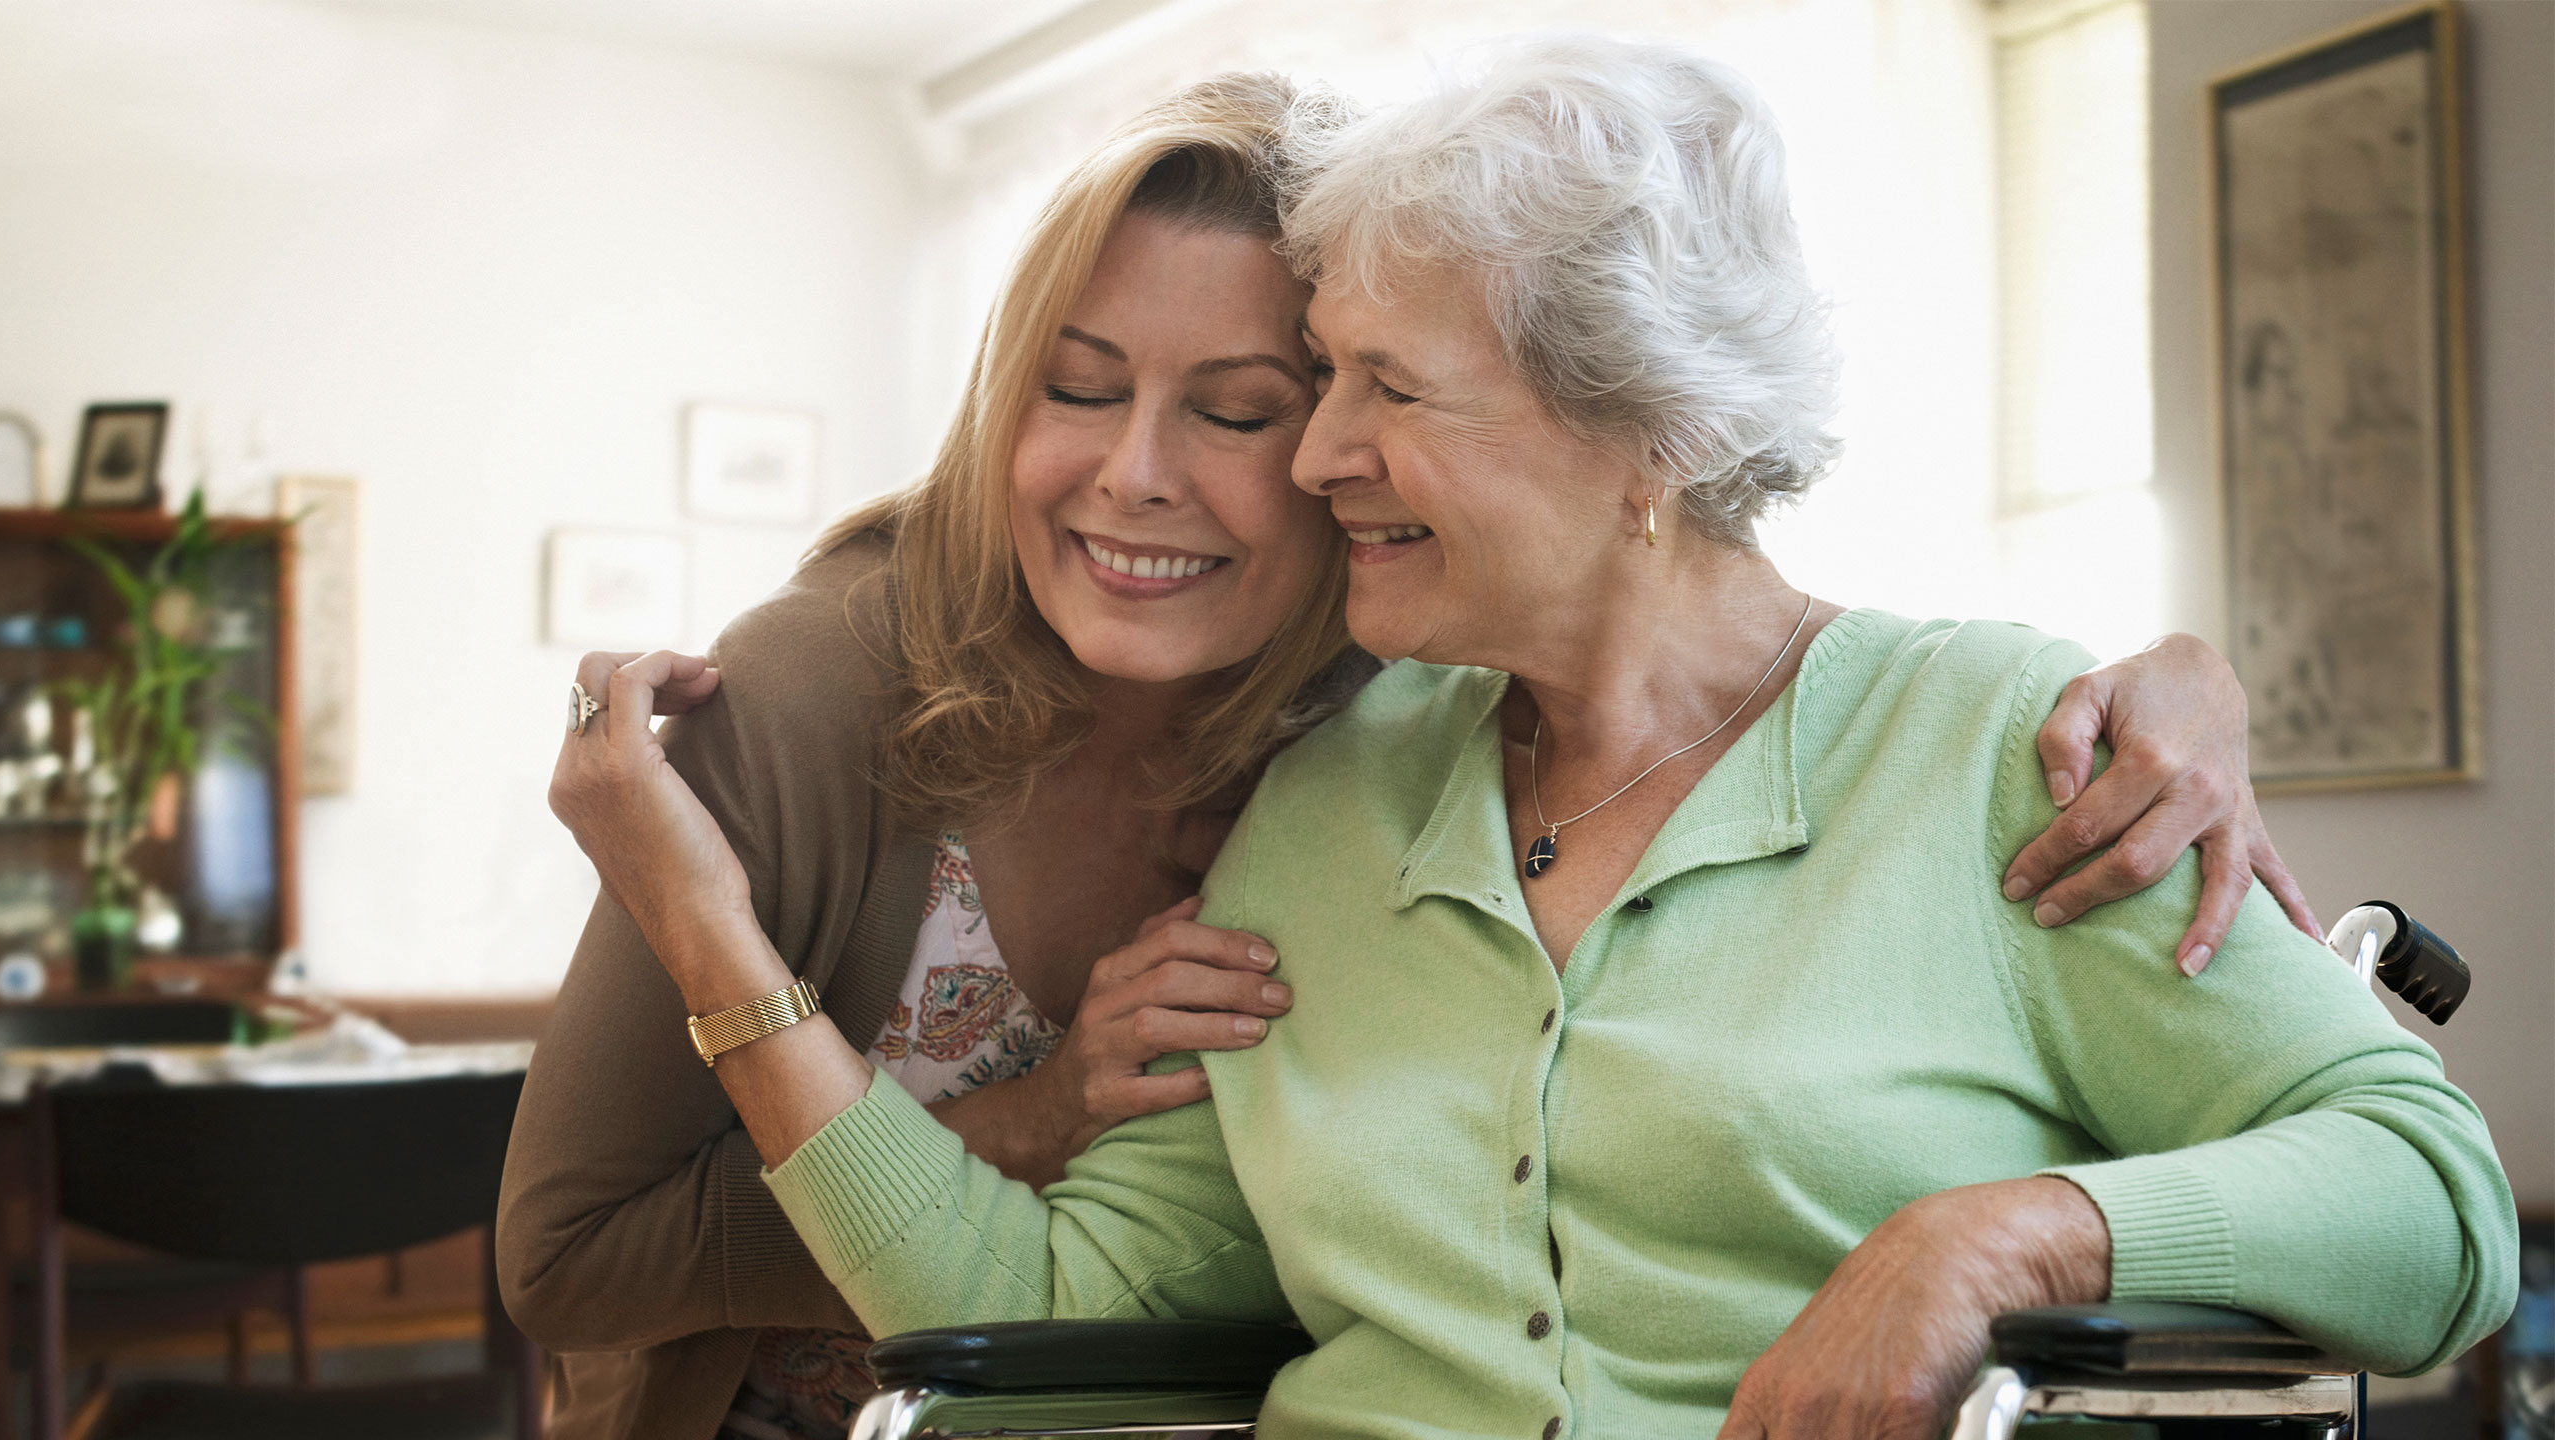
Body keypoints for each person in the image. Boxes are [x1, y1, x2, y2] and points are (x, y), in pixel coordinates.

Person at [509, 62, 2337, 1440]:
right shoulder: (1307, 789)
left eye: (1313, 399)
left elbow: (2407, 1172)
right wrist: (727, 936)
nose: (1296, 462)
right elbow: (1023, 1304)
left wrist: (1994, 1237)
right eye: (1080, 387)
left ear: (1649, 431)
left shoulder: (1959, 743)